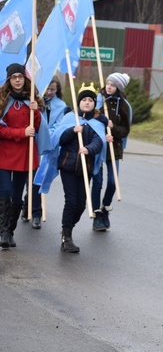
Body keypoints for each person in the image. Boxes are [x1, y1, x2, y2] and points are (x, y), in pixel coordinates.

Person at [44, 83, 107, 253]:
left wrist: (89, 149)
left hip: (85, 168)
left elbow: (98, 142)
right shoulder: (71, 118)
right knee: (71, 202)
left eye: (90, 100)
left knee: (81, 205)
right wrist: (73, 130)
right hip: (68, 166)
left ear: (95, 103)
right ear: (79, 102)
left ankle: (68, 229)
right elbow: (61, 139)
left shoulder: (96, 123)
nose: (87, 103)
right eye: (84, 100)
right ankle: (67, 237)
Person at [0, 63, 45, 249]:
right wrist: (20, 133)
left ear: (25, 78)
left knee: (18, 198)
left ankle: (10, 231)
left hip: (25, 155)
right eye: (14, 77)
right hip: (4, 154)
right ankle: (3, 231)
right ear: (9, 80)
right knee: (5, 194)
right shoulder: (2, 99)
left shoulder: (32, 99)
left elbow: (37, 129)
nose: (17, 80)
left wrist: (36, 112)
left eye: (20, 76)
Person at [20, 75, 69, 229]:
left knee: (37, 180)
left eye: (53, 90)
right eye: (47, 88)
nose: (49, 92)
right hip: (31, 143)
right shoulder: (32, 103)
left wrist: (47, 136)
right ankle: (29, 208)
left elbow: (59, 126)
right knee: (31, 179)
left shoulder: (61, 106)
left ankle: (36, 213)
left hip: (49, 145)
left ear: (57, 90)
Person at [91, 72, 131, 231]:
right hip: (98, 146)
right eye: (108, 83)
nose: (109, 86)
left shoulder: (123, 106)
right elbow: (89, 121)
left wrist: (113, 129)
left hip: (114, 148)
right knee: (98, 182)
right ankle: (96, 215)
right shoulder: (97, 100)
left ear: (118, 88)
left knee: (113, 182)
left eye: (113, 85)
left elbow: (125, 130)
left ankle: (106, 206)